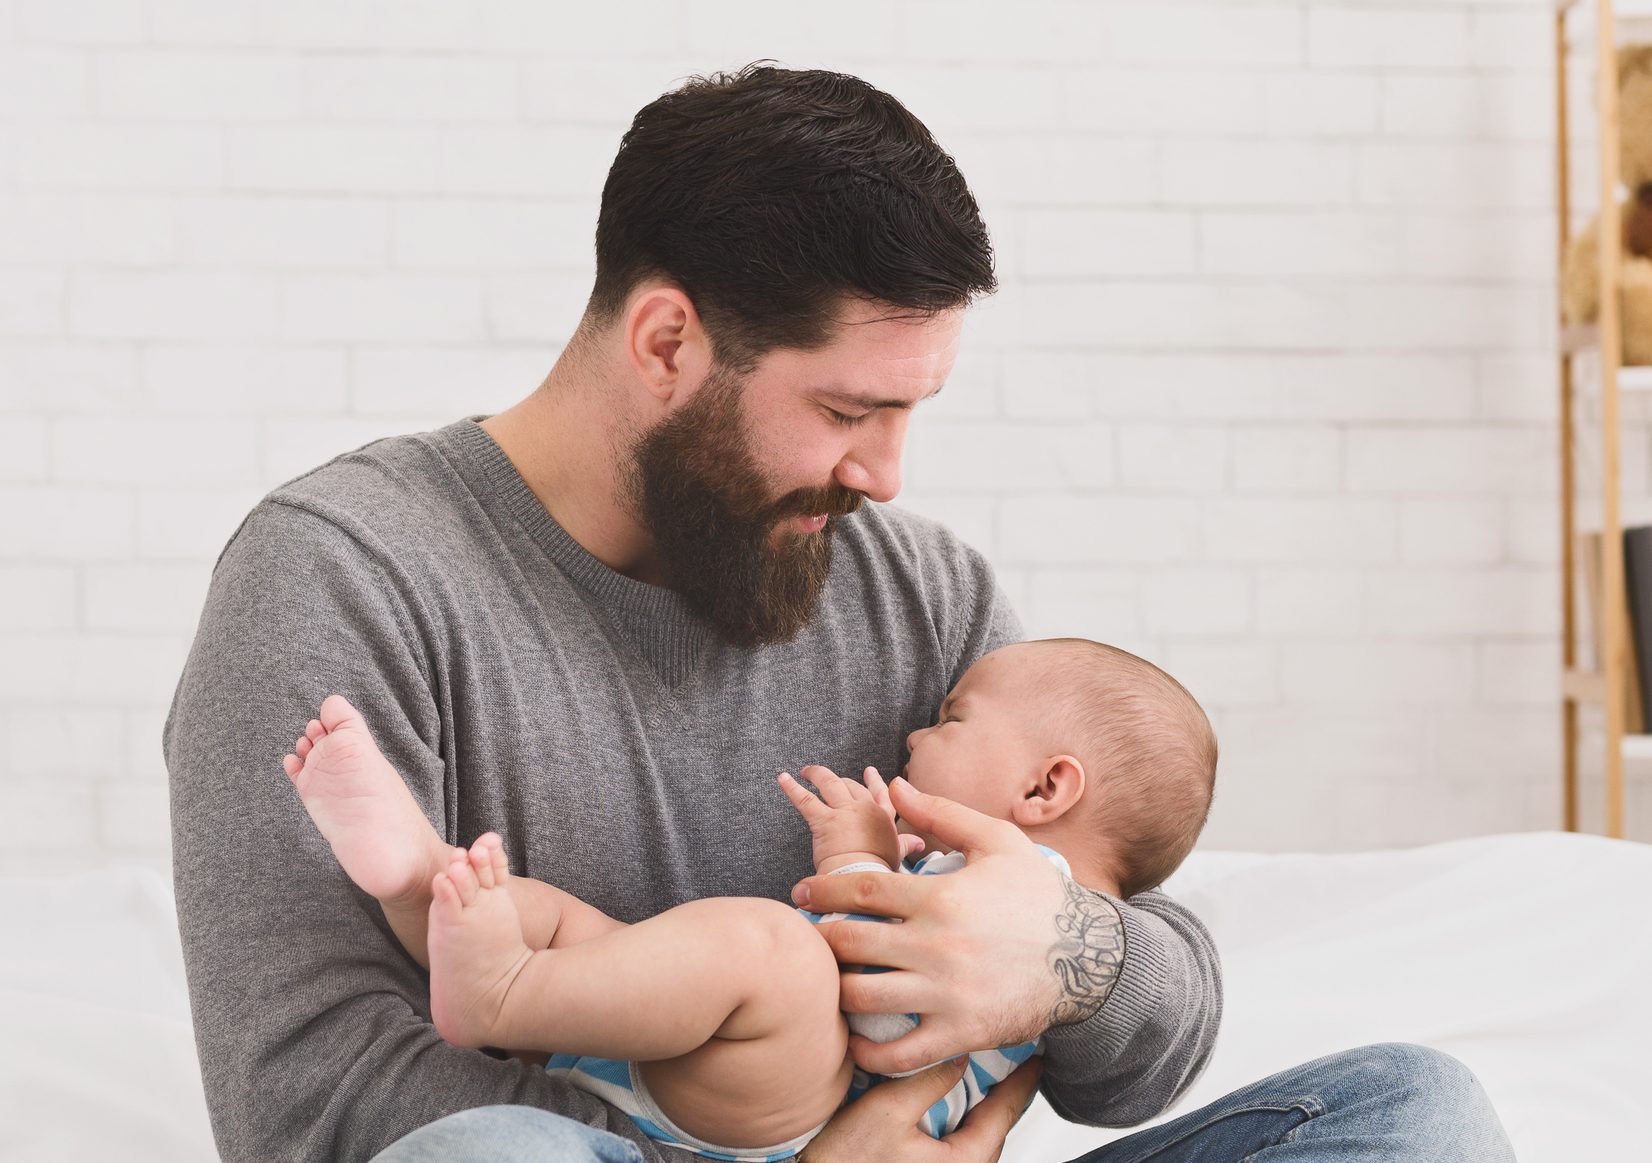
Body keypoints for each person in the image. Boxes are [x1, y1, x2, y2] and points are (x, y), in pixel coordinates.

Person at [164, 62, 1515, 1162]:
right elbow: (310, 1108)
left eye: (907, 411)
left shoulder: (915, 588)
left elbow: (1141, 1036)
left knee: (1419, 1113)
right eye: (847, 410)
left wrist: (1061, 950)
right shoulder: (342, 572)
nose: (885, 473)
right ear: (666, 343)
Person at [278, 638, 1218, 1160]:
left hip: (817, 1112)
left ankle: (502, 994)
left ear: (1047, 791)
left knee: (771, 949)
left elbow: (891, 1035)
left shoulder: (1034, 900)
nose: (918, 732)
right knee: (582, 931)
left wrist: (862, 867)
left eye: (950, 720)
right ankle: (418, 879)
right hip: (717, 1078)